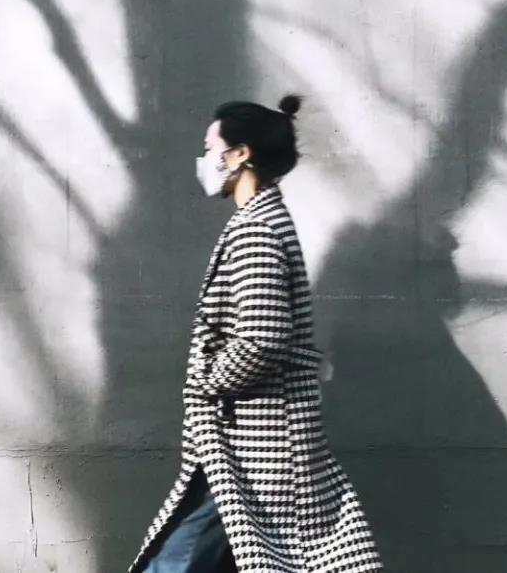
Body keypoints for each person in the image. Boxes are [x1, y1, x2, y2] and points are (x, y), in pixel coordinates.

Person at [130, 95, 384, 573]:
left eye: (210, 148)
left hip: (248, 439)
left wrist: (208, 383)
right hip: (251, 437)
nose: (205, 159)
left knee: (177, 561)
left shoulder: (256, 230)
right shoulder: (264, 221)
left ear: (240, 153)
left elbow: (262, 339)